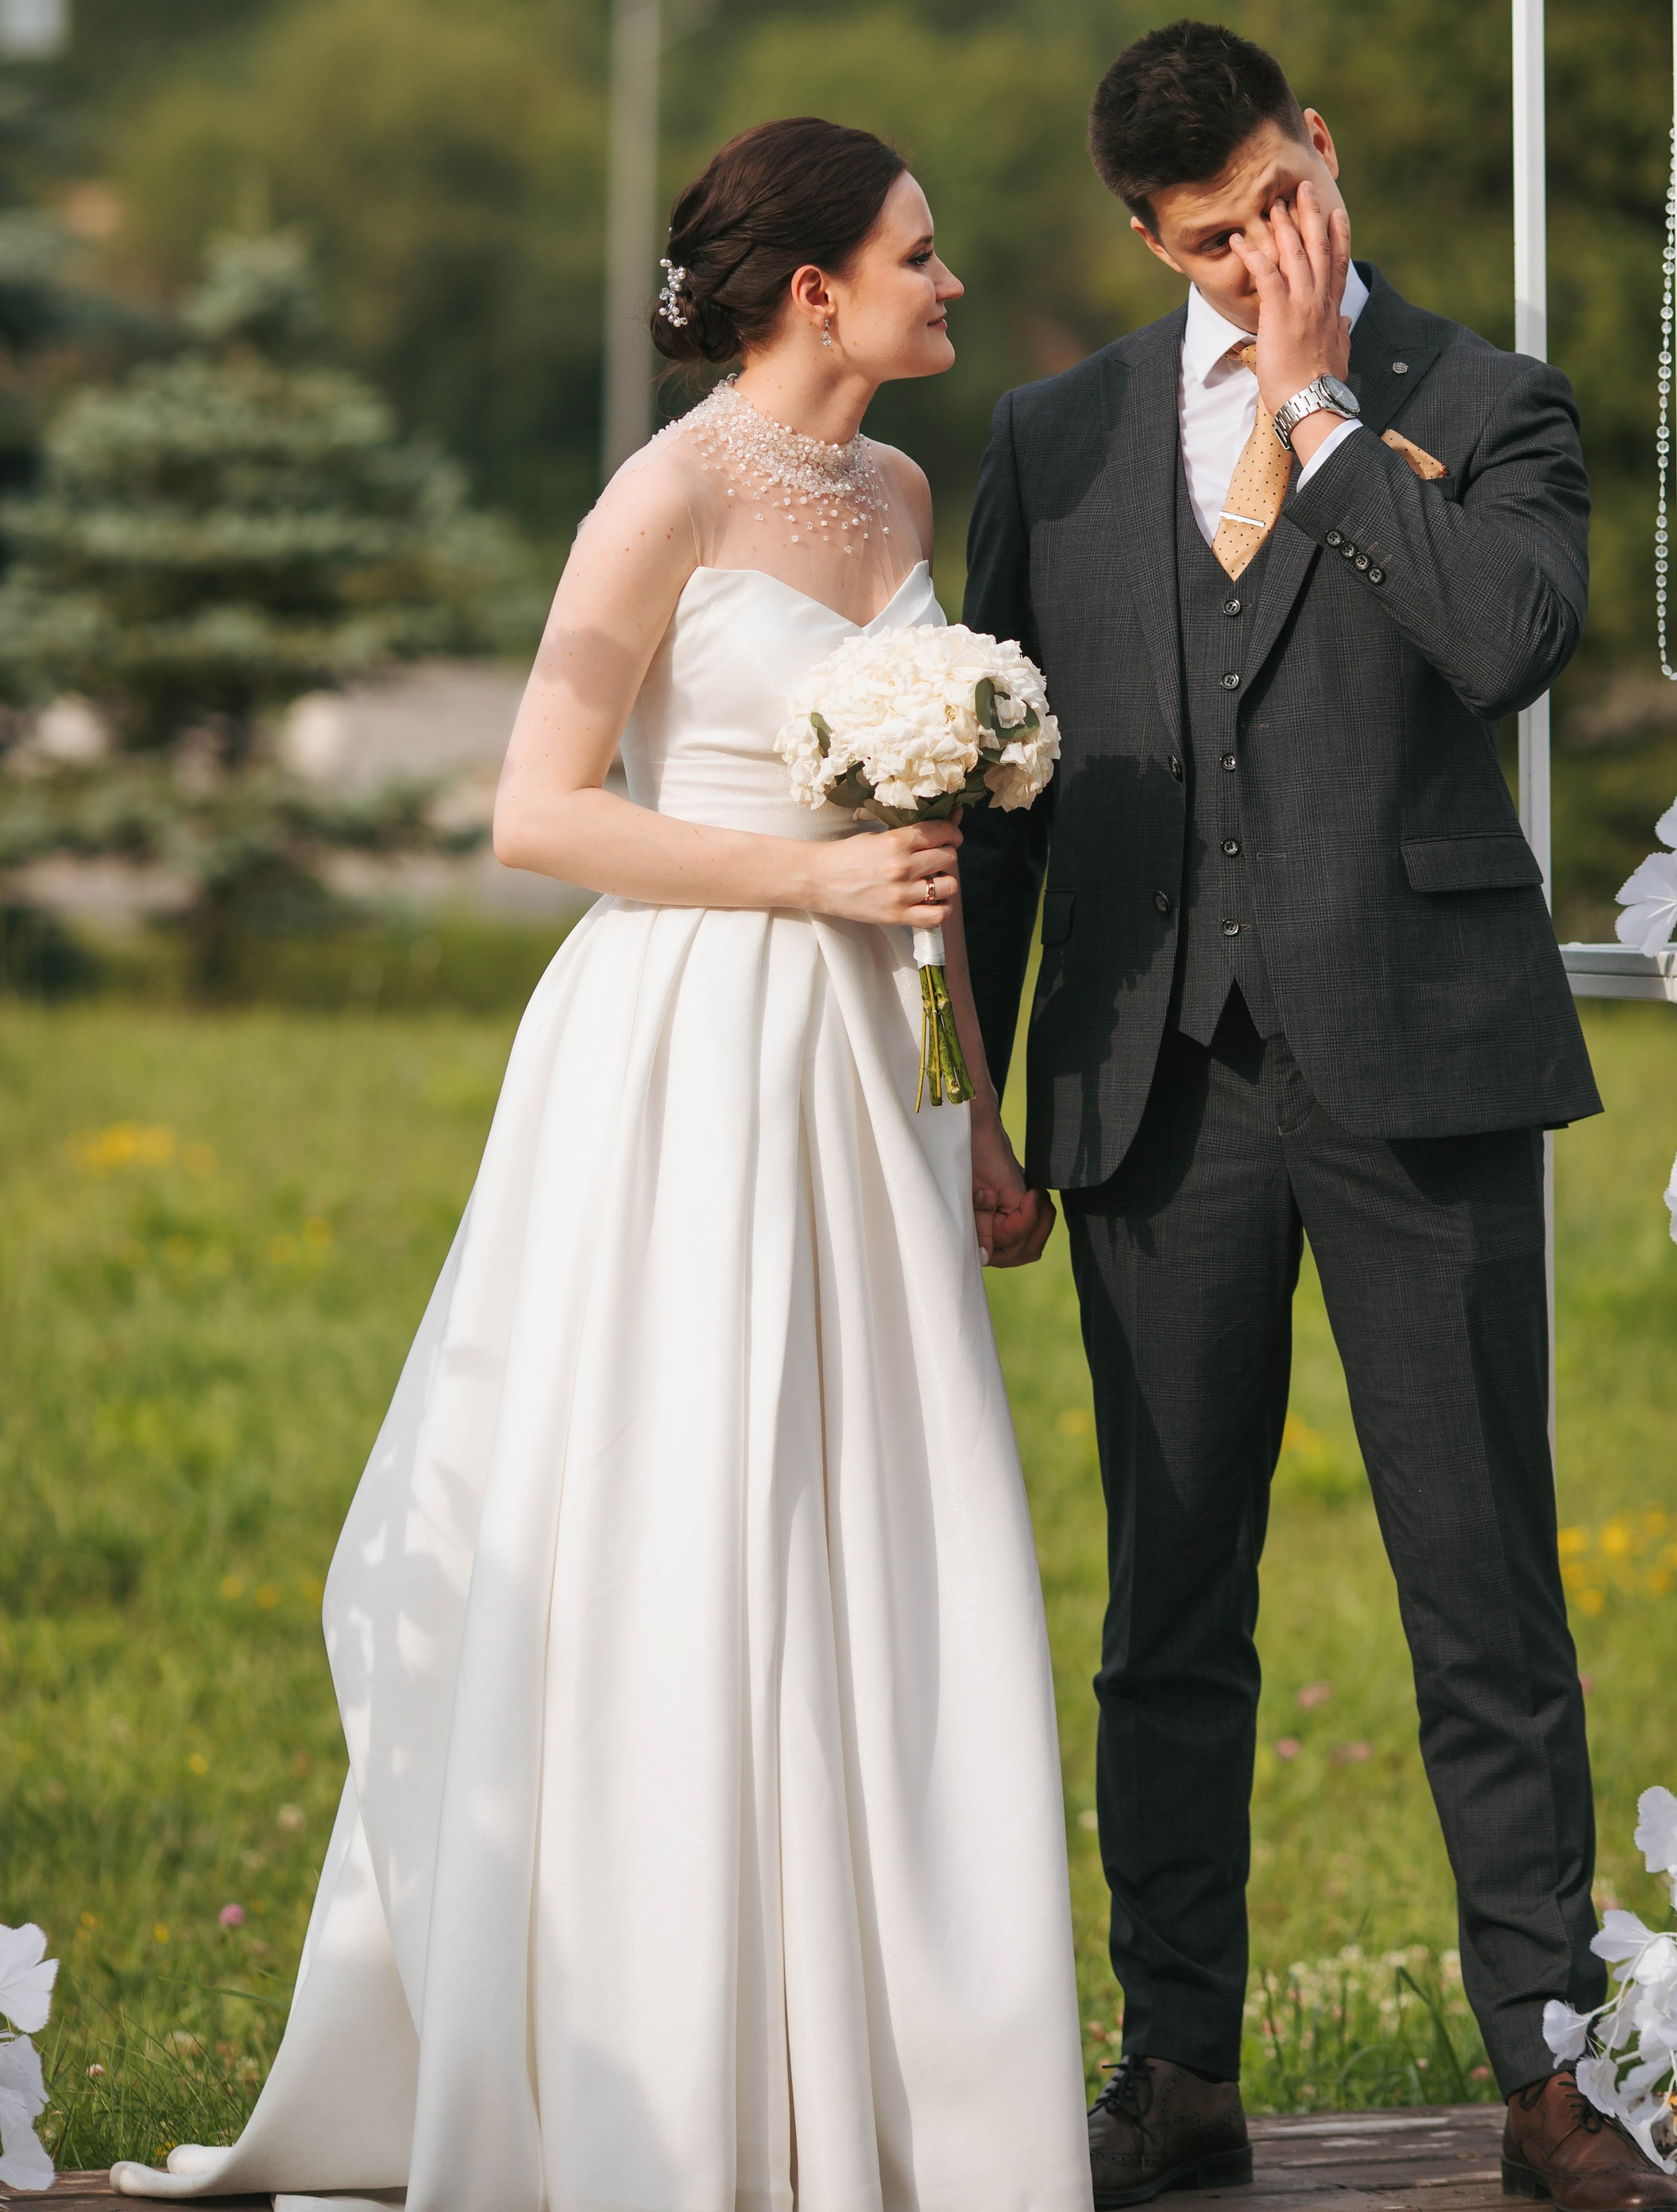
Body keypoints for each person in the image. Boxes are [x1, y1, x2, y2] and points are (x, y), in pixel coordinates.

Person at [114, 118, 1088, 2212]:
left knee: (874, 1522)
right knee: (690, 1502)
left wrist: (985, 1113)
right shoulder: (661, 496)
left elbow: (924, 880)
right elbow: (535, 812)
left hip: (874, 1069)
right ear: (814, 289)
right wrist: (792, 878)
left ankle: (886, 2063)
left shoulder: (905, 489)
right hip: (694, 1051)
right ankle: (661, 2052)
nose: (950, 280)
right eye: (919, 254)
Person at [959, 22, 1677, 2212]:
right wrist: (977, 1102)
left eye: (1278, 203)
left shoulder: (1487, 403)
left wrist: (1316, 406)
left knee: (1484, 1596)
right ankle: (1175, 2067)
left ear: (1322, 156)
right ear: (1145, 235)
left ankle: (1546, 2084)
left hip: (1424, 1073)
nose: (1254, 254)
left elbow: (1507, 646)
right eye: (1206, 240)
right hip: (1153, 1088)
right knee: (1172, 1607)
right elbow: (1000, 805)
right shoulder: (1056, 441)